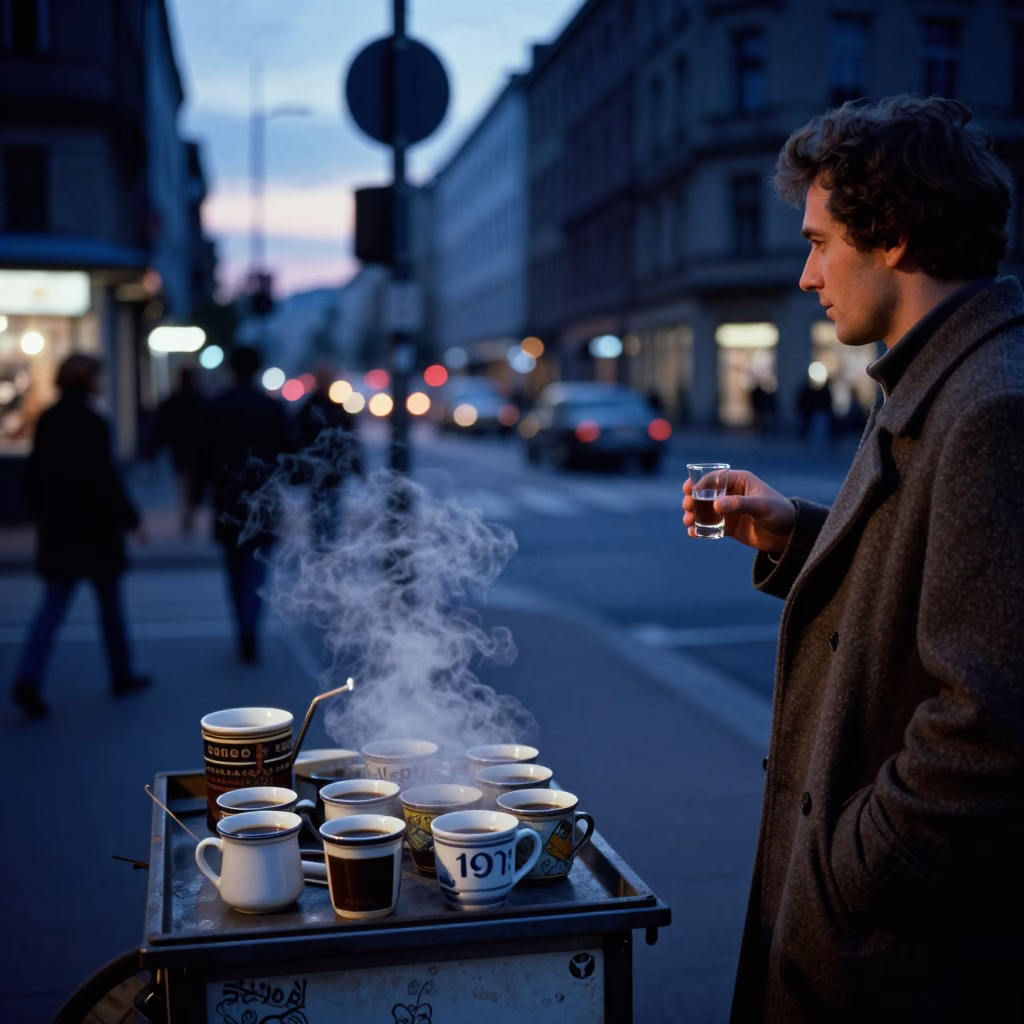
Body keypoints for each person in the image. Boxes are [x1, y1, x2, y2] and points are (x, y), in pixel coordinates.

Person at [682, 96, 1024, 1021]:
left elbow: (989, 728)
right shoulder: (939, 376)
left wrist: (849, 871)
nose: (805, 274)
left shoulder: (991, 407)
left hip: (897, 957)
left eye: (821, 241)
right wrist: (796, 530)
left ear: (896, 238)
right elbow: (933, 571)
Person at [10, 353, 149, 719]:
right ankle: (121, 674)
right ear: (88, 381)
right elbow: (104, 479)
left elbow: (34, 475)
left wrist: (42, 515)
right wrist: (131, 519)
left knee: (51, 610)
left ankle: (28, 678)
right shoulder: (93, 422)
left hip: (60, 531)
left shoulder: (48, 420)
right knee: (110, 609)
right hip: (96, 532)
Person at [199, 345, 288, 664]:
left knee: (234, 569)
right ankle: (250, 628)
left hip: (228, 499)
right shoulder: (271, 408)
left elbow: (204, 457)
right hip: (263, 500)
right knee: (255, 570)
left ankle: (242, 625)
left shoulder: (217, 406)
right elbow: (286, 454)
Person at [290, 363, 363, 547]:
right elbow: (297, 437)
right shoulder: (309, 407)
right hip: (316, 470)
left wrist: (357, 464)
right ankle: (320, 544)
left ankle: (327, 543)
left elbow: (351, 437)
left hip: (334, 471)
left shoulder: (337, 407)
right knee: (318, 510)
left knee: (332, 509)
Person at [153, 365, 205, 534]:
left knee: (183, 481)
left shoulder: (172, 400)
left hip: (179, 447)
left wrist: (157, 445)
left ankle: (186, 512)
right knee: (191, 482)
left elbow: (162, 426)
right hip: (196, 447)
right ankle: (188, 513)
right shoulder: (199, 399)